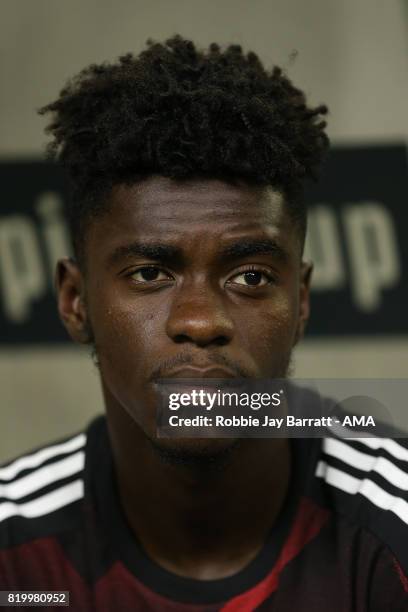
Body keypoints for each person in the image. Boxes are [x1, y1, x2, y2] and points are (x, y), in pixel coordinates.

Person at [0, 35, 407, 611]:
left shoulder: (395, 521)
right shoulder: (14, 548)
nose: (200, 321)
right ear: (75, 300)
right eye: (148, 274)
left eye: (251, 277)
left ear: (302, 302)